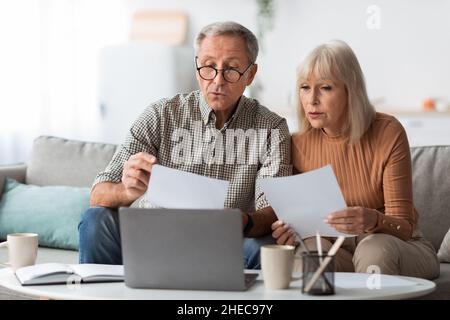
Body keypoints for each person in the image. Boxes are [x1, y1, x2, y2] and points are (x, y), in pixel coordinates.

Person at [78, 21, 291, 268]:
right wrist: (126, 191)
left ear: (251, 74)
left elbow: (273, 209)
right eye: (209, 67)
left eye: (232, 69)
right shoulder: (160, 114)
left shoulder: (271, 127)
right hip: (151, 234)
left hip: (223, 242)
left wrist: (243, 221)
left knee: (264, 249)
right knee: (95, 221)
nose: (218, 80)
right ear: (196, 65)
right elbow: (98, 194)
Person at [272, 40, 439, 279]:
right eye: (305, 87)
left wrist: (373, 219)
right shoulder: (295, 144)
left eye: (326, 88)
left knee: (373, 250)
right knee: (310, 254)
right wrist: (289, 229)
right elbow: (300, 217)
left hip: (399, 246)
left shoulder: (387, 132)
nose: (312, 100)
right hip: (339, 250)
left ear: (351, 90)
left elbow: (404, 227)